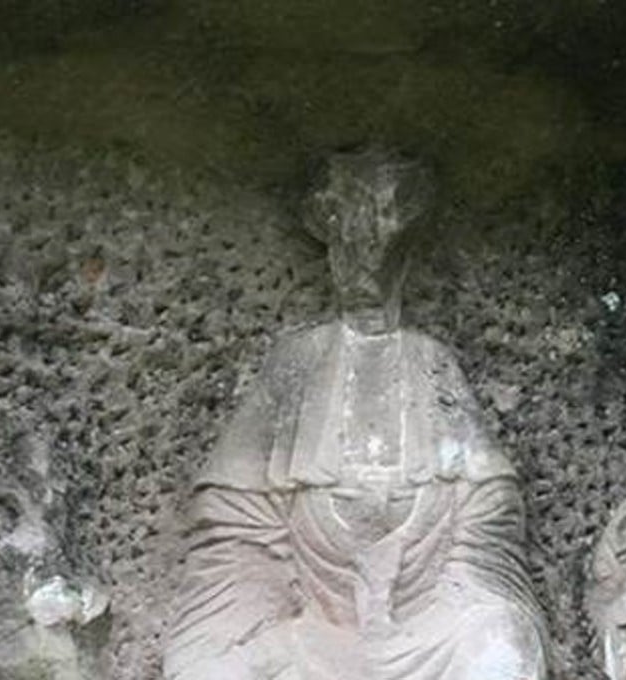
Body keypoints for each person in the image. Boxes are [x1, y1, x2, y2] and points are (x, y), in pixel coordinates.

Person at [164, 149, 548, 680]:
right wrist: (265, 599)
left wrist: (448, 579)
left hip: (427, 631)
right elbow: (233, 519)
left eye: (385, 246)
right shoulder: (297, 362)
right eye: (353, 244)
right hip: (309, 634)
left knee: (503, 648)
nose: (368, 264)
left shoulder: (431, 360)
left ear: (408, 256)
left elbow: (486, 507)